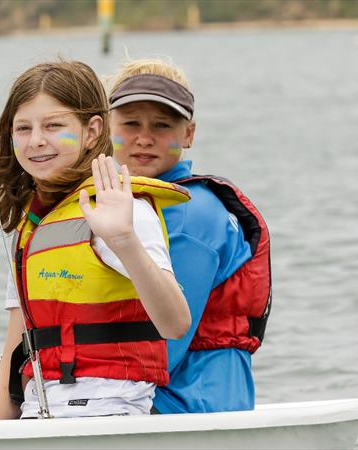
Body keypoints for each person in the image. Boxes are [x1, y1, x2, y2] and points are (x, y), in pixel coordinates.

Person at [0, 60, 191, 420]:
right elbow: (14, 353)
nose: (36, 140)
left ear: (92, 131)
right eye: (23, 128)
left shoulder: (125, 210)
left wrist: (124, 240)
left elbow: (176, 323)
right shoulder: (30, 228)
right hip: (40, 417)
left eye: (54, 126)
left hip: (112, 418)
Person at [107, 58, 271, 414]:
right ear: (107, 127)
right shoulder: (121, 204)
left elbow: (168, 343)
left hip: (191, 402)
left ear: (189, 135)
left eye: (162, 125)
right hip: (152, 392)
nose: (145, 138)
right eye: (131, 123)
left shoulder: (190, 213)